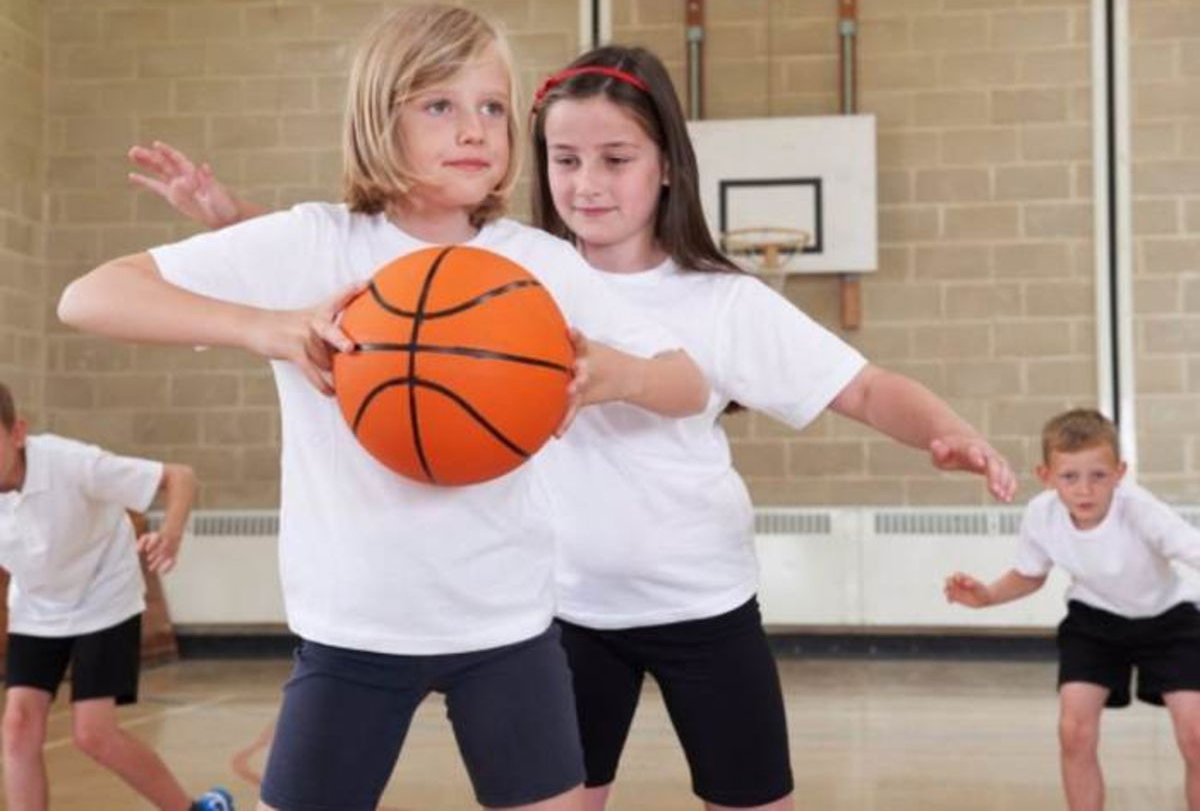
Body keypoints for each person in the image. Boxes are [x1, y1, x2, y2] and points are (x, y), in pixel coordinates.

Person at [126, 42, 1017, 811]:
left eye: (616, 159)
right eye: (565, 159)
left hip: (701, 601)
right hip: (563, 608)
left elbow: (861, 388)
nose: (587, 184)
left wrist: (947, 430)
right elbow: (384, 307)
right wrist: (241, 231)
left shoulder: (722, 301)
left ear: (668, 163)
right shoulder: (504, 273)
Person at [58, 7, 708, 811]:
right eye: (439, 105)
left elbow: (689, 382)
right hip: (354, 630)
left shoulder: (538, 263)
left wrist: (616, 374)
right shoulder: (312, 244)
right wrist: (265, 327)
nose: (473, 129)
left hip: (507, 626)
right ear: (378, 117)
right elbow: (89, 297)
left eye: (493, 107)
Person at [945, 408, 1200, 811]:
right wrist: (988, 595)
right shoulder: (1041, 515)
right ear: (1046, 476)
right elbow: (1031, 573)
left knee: (1196, 736)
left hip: (1169, 621)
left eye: (1098, 476)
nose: (1085, 490)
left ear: (1119, 472)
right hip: (1094, 621)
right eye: (1070, 477)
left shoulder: (1140, 510)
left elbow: (1192, 548)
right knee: (1074, 732)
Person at [0, 383, 232, 811]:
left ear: (17, 432)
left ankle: (190, 809)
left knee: (93, 734)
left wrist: (171, 535)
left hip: (103, 596)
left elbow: (179, 476)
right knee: (17, 727)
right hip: (38, 606)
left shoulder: (70, 463)